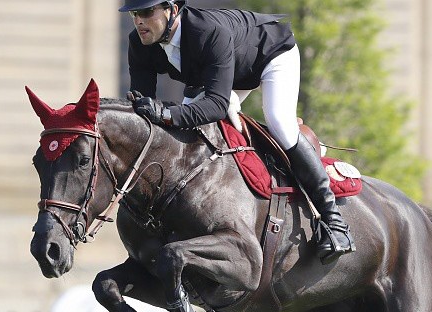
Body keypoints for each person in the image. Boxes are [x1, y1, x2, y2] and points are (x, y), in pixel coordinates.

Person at [119, 0, 355, 263]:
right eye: (134, 14)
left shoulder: (207, 31)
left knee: (280, 124)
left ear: (172, 9)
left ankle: (333, 221)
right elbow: (142, 106)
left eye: (146, 12)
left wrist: (167, 113)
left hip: (269, 55)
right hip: (220, 74)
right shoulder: (139, 42)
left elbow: (218, 105)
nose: (139, 20)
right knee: (184, 138)